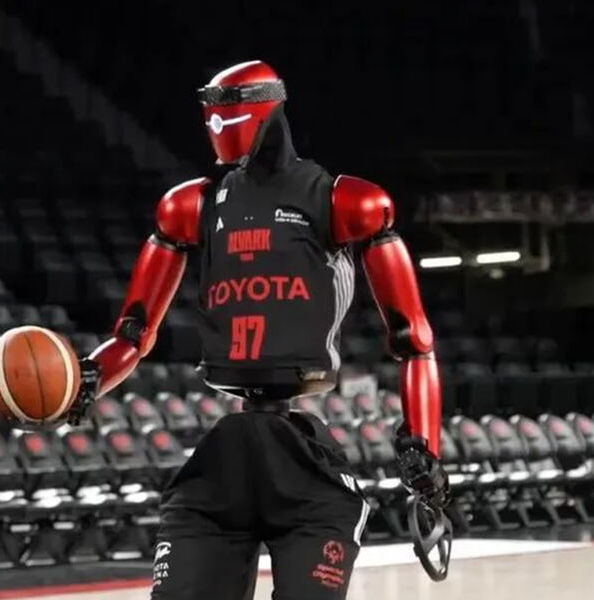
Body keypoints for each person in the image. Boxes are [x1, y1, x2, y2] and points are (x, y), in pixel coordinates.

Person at [73, 60, 448, 599]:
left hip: (304, 462)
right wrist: (87, 379)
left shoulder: (343, 200)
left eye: (223, 112)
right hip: (225, 458)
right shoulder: (191, 206)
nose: (213, 124)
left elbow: (413, 340)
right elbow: (133, 333)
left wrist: (423, 450)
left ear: (264, 109)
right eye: (208, 113)